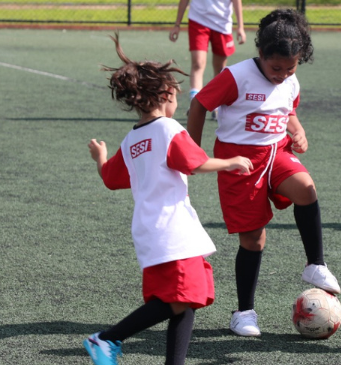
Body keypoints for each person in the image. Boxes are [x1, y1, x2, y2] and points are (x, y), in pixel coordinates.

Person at [83, 33, 252, 365]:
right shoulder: (169, 129)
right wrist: (231, 162)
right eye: (175, 94)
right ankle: (106, 338)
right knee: (178, 299)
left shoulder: (133, 139)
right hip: (172, 231)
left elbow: (110, 179)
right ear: (165, 95)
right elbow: (194, 162)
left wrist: (101, 157)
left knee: (183, 302)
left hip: (152, 231)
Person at [185, 9, 340, 337]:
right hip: (239, 162)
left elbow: (288, 111)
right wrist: (193, 152)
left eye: (291, 68)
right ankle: (244, 313)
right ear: (261, 54)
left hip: (277, 153)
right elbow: (199, 105)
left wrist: (298, 130)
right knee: (254, 239)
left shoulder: (290, 79)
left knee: (306, 189)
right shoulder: (235, 76)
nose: (283, 74)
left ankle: (316, 264)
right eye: (276, 68)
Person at [169, 0, 246, 117]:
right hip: (198, 20)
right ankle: (194, 103)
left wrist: (240, 27)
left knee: (220, 68)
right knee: (198, 63)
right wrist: (177, 25)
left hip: (222, 24)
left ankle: (216, 104)